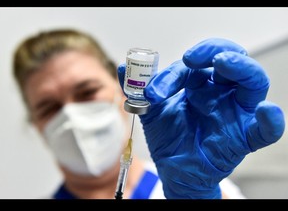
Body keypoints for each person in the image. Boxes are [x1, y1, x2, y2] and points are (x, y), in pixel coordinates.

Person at [12, 28, 270, 199]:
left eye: (87, 92)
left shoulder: (200, 188)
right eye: (49, 107)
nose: (71, 116)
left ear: (123, 90)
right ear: (37, 125)